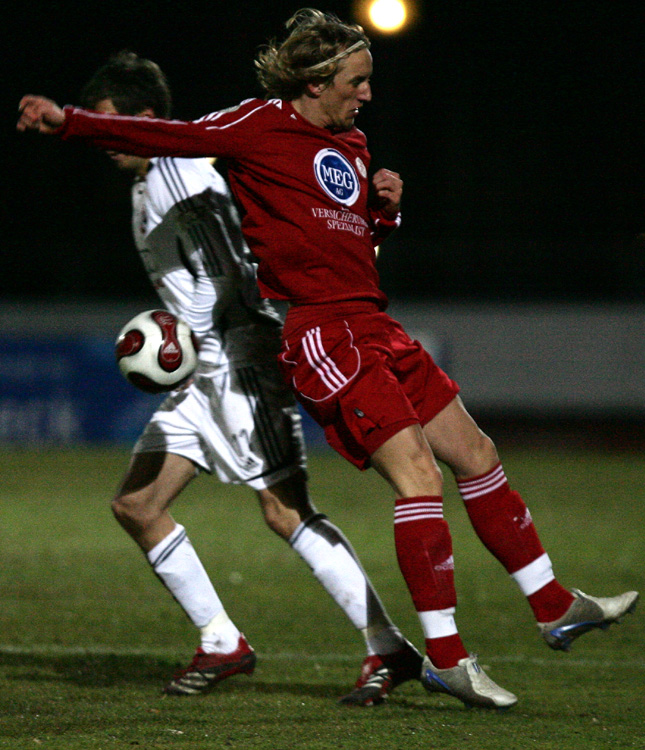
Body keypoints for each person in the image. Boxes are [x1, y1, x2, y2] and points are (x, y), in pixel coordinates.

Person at [18, 9, 639, 710]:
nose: (367, 93)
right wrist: (70, 123)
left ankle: (552, 604)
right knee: (414, 478)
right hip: (322, 332)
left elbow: (352, 245)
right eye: (357, 81)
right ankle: (443, 657)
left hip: (375, 323)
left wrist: (384, 213)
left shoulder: (352, 145)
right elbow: (171, 135)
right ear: (315, 82)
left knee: (475, 452)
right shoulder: (257, 125)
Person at [22, 50, 424, 704]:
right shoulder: (150, 182)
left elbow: (236, 261)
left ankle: (388, 646)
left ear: (144, 118)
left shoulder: (179, 172)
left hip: (238, 362)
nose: (107, 138)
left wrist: (200, 334)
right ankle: (221, 642)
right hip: (202, 373)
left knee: (285, 510)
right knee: (137, 506)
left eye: (110, 122)